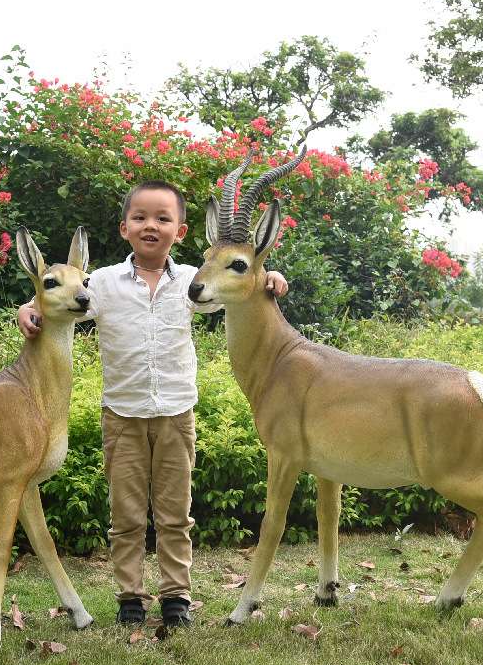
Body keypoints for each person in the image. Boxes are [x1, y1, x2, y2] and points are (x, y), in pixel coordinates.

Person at [17, 181, 287, 627]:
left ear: (180, 231)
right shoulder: (101, 283)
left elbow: (241, 283)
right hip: (121, 418)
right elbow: (59, 297)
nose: (151, 226)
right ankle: (129, 597)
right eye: (140, 217)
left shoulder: (192, 281)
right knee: (125, 514)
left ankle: (176, 596)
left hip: (176, 416)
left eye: (163, 219)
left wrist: (271, 277)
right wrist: (25, 309)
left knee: (175, 514)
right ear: (124, 228)